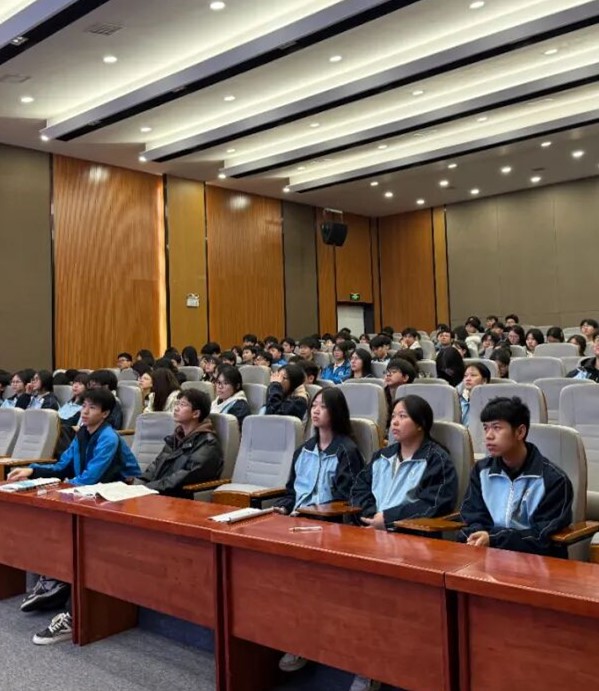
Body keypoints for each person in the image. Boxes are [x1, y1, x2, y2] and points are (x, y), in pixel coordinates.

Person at [13, 388, 142, 645]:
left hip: (121, 499)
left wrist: (60, 488)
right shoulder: (82, 433)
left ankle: (65, 592)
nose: (84, 411)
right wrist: (32, 471)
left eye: (92, 408)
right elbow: (62, 466)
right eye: (84, 406)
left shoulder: (108, 438)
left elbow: (90, 477)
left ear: (105, 414)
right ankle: (57, 580)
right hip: (92, 496)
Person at [276, 387, 365, 676]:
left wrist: (314, 514)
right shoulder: (303, 451)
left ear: (336, 412)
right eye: (314, 405)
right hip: (296, 524)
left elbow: (350, 499)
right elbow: (291, 492)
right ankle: (286, 635)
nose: (315, 410)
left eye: (323, 406)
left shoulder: (347, 451)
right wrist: (282, 507)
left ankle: (306, 641)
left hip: (330, 529)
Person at [458, 396, 573, 557]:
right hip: (487, 554)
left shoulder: (554, 480)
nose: (488, 436)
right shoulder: (481, 471)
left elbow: (542, 536)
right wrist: (478, 535)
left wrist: (494, 539)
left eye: (496, 428)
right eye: (485, 428)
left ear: (520, 432)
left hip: (536, 561)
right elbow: (473, 516)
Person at [352, 395, 458, 526]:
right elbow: (359, 489)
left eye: (402, 416)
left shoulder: (437, 460)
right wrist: (371, 516)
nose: (395, 422)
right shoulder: (382, 456)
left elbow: (434, 504)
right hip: (371, 528)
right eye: (393, 416)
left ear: (420, 424)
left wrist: (388, 518)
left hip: (410, 533)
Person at [137, 389, 223, 497]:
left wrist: (148, 488)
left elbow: (184, 477)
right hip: (159, 492)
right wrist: (139, 484)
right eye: (177, 403)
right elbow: (156, 465)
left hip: (179, 497)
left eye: (182, 405)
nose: (176, 408)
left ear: (196, 413)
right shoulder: (176, 437)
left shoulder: (208, 444)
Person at [211, 365, 250, 430]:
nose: (220, 387)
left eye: (225, 383)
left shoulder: (240, 407)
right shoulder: (217, 401)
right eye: (218, 382)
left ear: (237, 386)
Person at [383, 358, 417, 430]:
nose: (388, 374)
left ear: (405, 378)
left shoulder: (412, 399)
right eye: (386, 372)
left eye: (394, 372)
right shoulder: (381, 394)